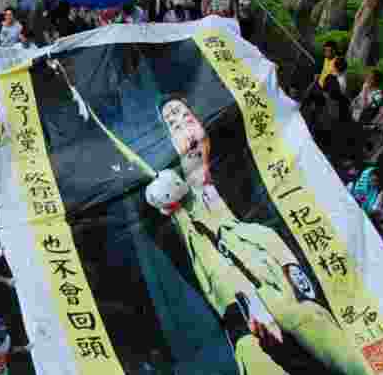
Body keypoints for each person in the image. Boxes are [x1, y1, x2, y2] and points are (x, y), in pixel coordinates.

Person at [146, 96, 368, 375]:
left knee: (319, 326)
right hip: (240, 314)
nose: (183, 125)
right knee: (254, 359)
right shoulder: (176, 207)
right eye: (173, 125)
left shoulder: (241, 167)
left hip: (283, 285)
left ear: (202, 120)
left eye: (184, 115)